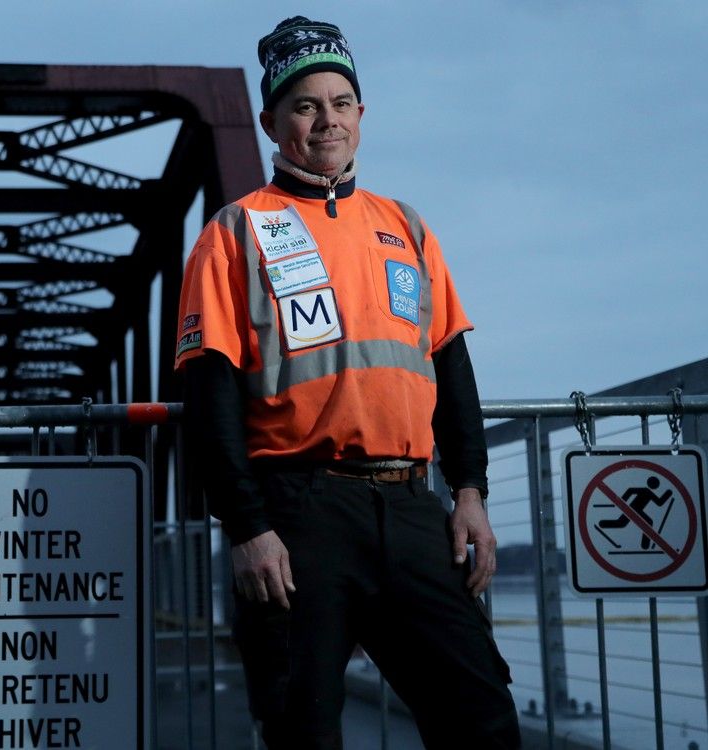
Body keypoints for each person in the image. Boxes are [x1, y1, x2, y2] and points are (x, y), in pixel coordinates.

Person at [175, 15, 520, 750]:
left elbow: (451, 369)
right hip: (297, 515)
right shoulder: (234, 232)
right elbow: (209, 397)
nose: (325, 120)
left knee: (482, 717)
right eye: (304, 105)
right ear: (270, 122)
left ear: (361, 115)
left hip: (412, 506)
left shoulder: (407, 226)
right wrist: (247, 530)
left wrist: (470, 493)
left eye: (339, 102)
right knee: (303, 731)